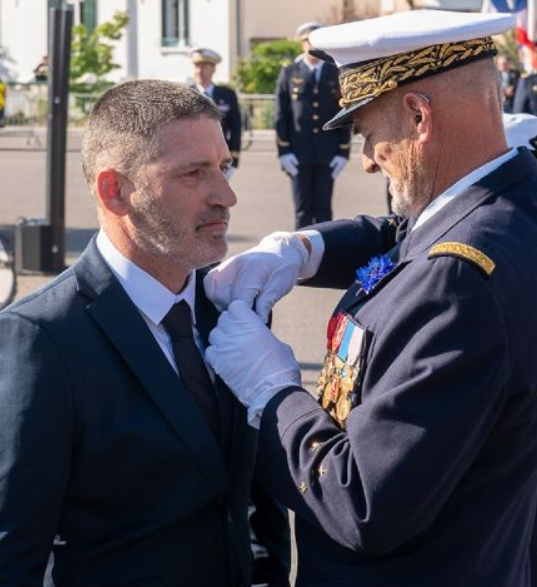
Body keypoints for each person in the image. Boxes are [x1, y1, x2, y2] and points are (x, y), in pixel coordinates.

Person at [204, 10, 537, 587]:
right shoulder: (513, 194)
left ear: (417, 116)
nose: (365, 157)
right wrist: (303, 248)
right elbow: (412, 231)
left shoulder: (456, 287)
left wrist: (273, 391)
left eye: (367, 131)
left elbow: (361, 503)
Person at [0, 80, 258, 587]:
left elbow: (251, 497)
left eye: (224, 167)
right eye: (194, 173)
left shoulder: (233, 308)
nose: (226, 196)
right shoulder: (42, 338)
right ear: (114, 190)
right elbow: (13, 551)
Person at [275, 22, 352, 229]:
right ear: (301, 44)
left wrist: (343, 152)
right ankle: (303, 256)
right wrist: (284, 151)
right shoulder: (290, 72)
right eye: (307, 42)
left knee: (324, 210)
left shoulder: (335, 72)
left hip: (328, 154)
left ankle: (325, 255)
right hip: (298, 154)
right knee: (302, 210)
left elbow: (344, 111)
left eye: (315, 42)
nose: (311, 47)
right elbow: (281, 114)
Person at [190, 47, 241, 179]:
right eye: (197, 66)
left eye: (204, 66)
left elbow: (235, 128)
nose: (199, 71)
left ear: (213, 69)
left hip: (218, 159)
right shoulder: (186, 95)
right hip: (191, 159)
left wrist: (233, 161)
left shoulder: (227, 95)